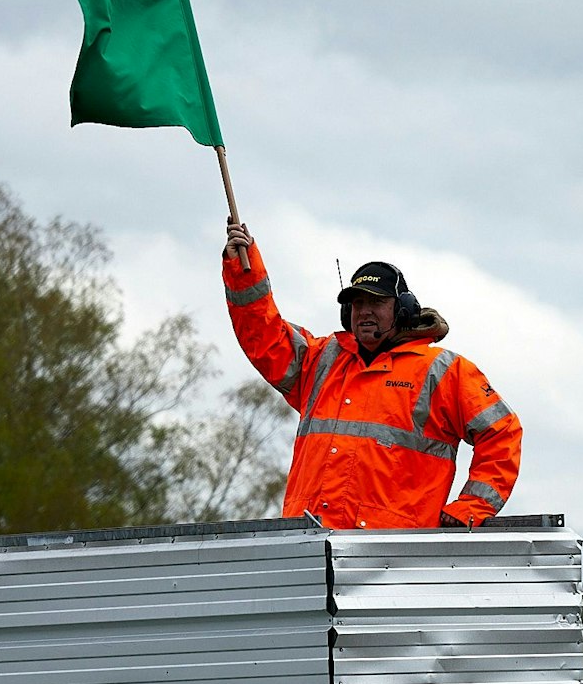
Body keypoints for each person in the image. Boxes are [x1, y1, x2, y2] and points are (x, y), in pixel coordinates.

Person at [222, 220, 521, 529]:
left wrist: (472, 507)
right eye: (357, 303)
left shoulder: (443, 372)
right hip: (308, 544)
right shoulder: (321, 361)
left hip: (394, 559)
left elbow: (503, 432)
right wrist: (242, 268)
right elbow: (263, 335)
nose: (364, 310)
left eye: (376, 302)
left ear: (402, 310)